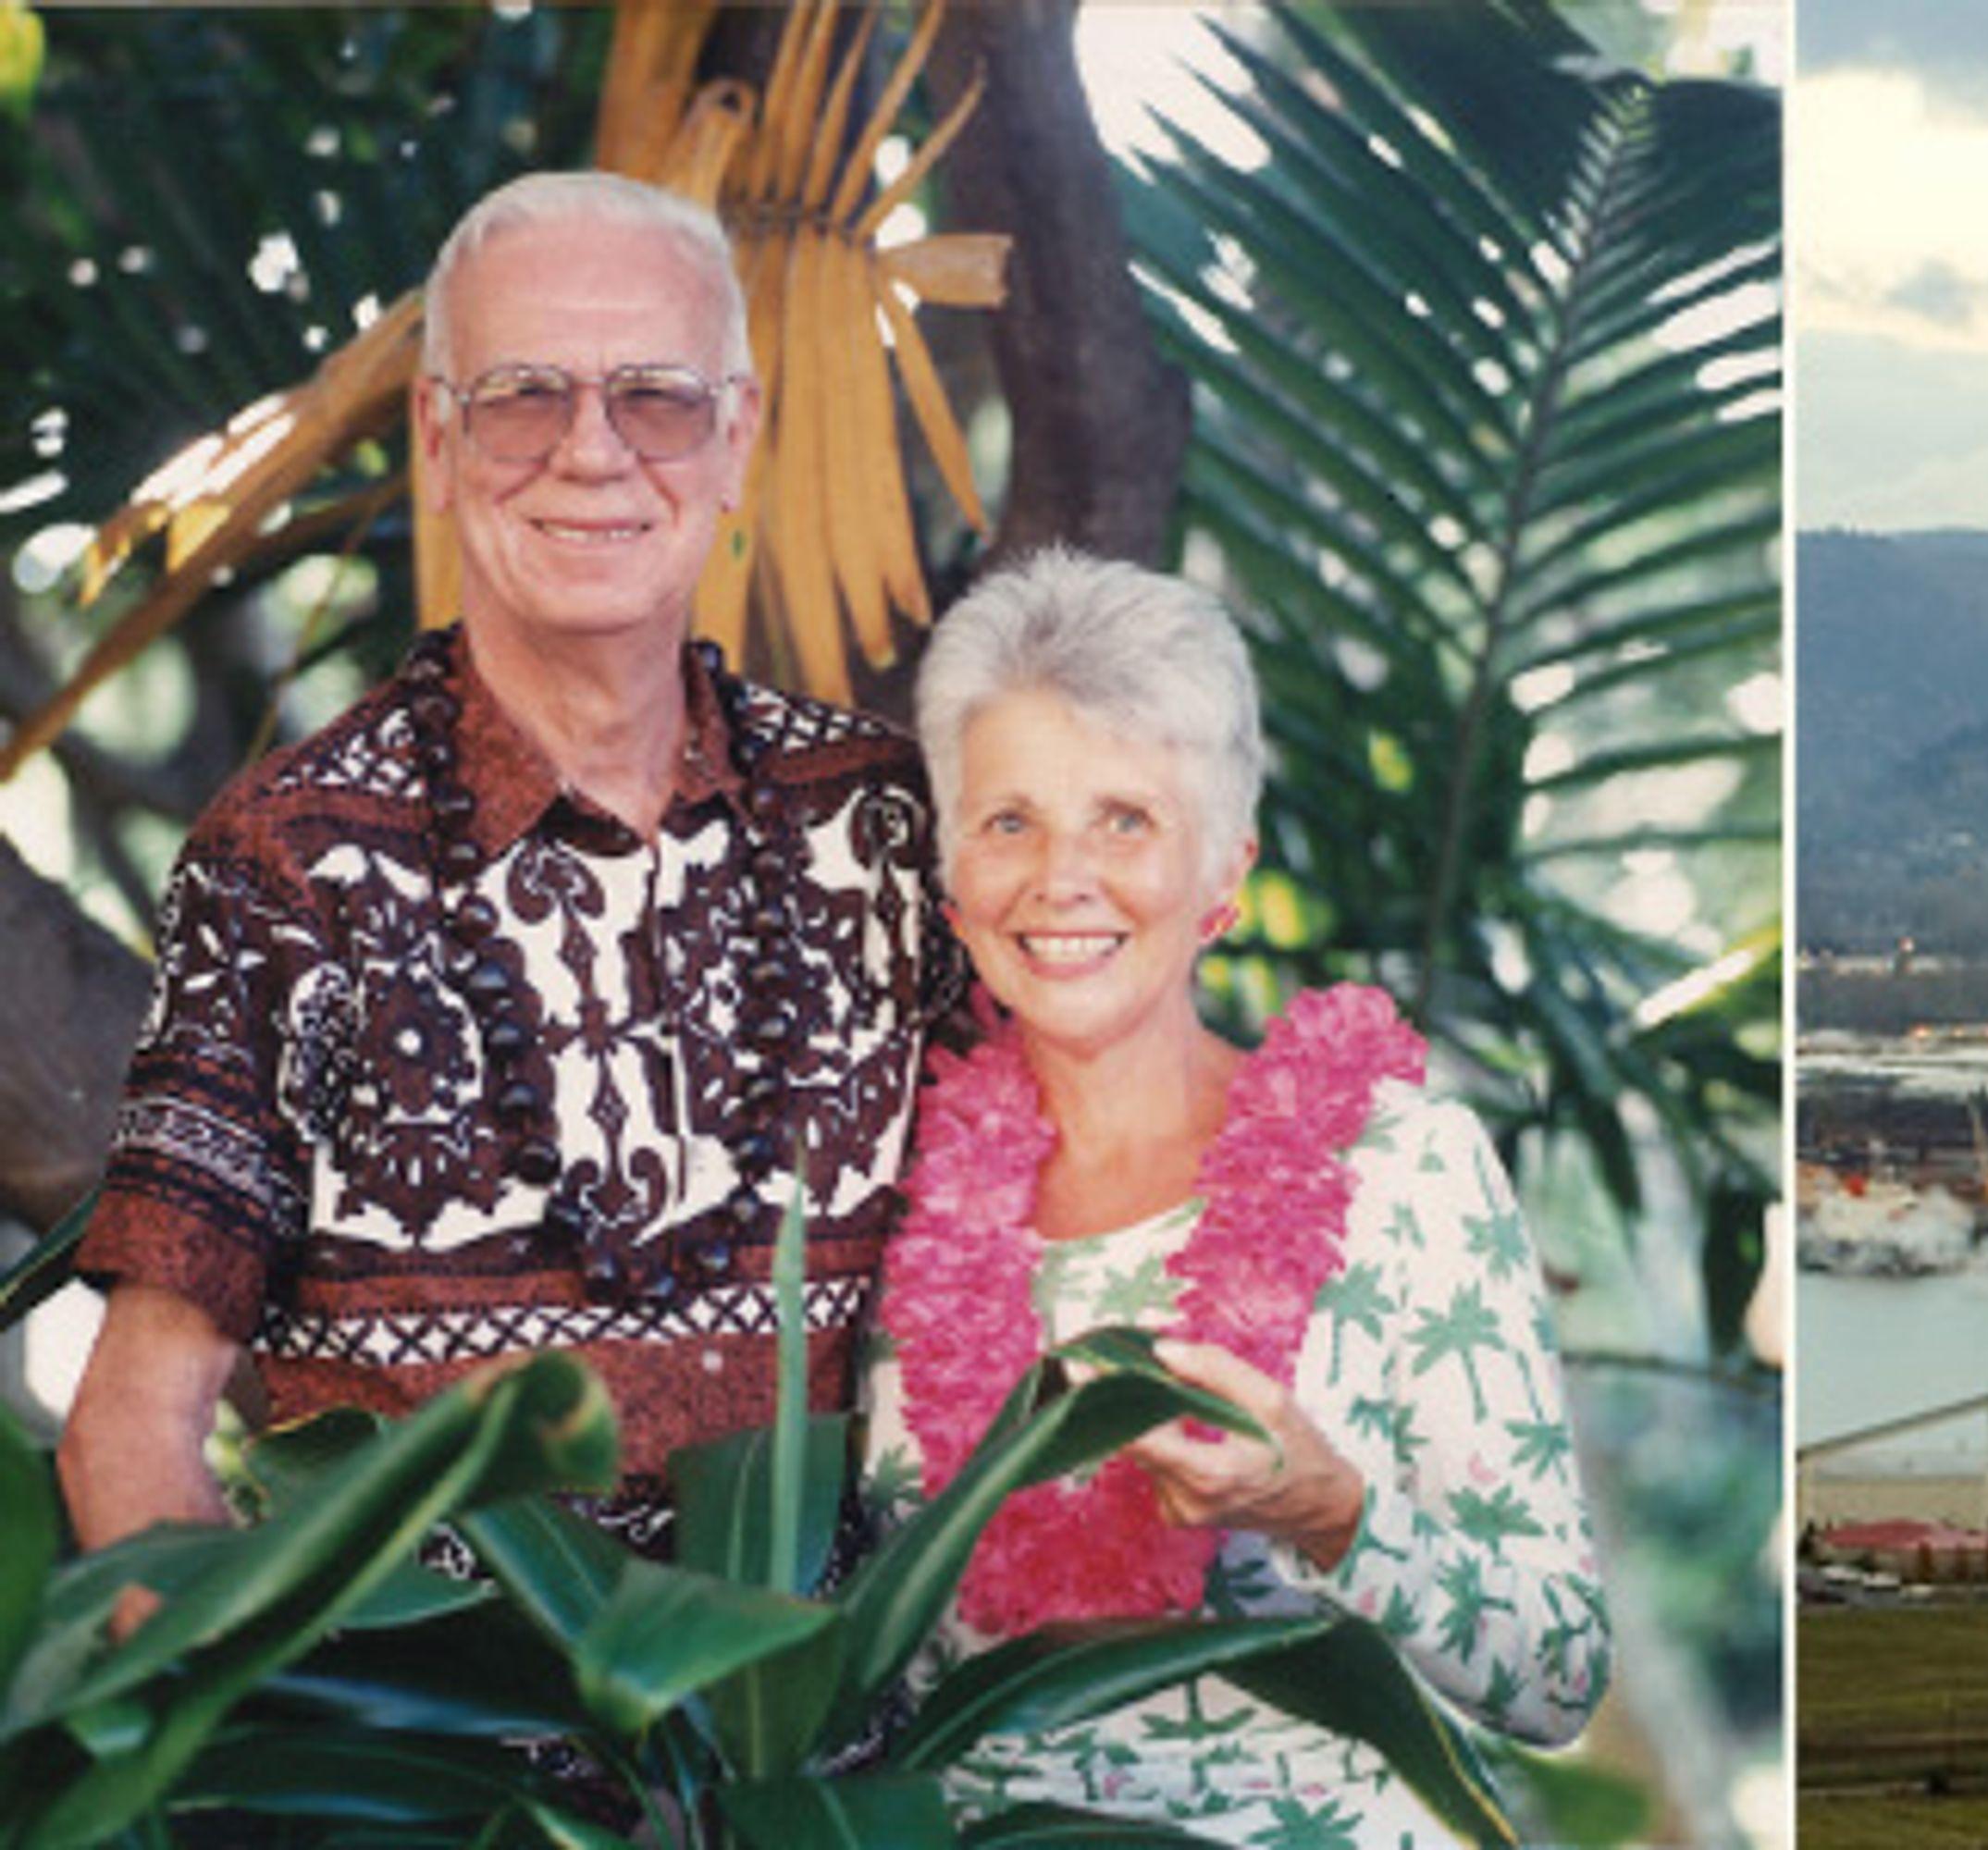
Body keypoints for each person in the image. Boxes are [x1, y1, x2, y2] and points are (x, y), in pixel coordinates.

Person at [58, 171, 945, 1556]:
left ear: (738, 437)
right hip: (445, 1750)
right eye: (524, 396)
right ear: (434, 432)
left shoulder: (884, 822)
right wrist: (230, 1738)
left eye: (654, 397)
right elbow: (135, 1421)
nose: (591, 453)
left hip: (827, 1746)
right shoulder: (288, 857)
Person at [865, 549, 1608, 1844]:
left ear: (1225, 874)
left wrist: (1328, 1510)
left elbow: (1557, 1677)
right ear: (951, 882)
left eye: (1126, 820)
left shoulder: (1402, 1169)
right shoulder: (889, 1206)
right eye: (1008, 821)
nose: (1061, 877)